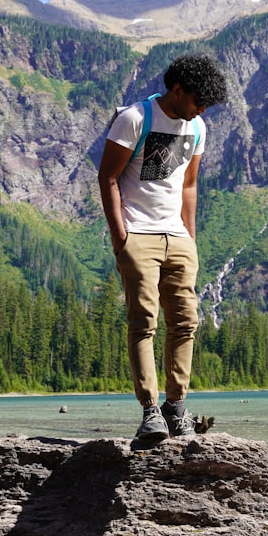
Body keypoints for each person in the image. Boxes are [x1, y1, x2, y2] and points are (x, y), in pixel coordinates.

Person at [98, 53, 229, 441]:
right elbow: (107, 178)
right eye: (198, 101)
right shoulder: (135, 119)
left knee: (186, 322)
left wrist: (190, 238)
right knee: (144, 323)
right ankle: (150, 412)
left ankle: (176, 408)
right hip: (138, 235)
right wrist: (121, 237)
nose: (202, 109)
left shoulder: (198, 127)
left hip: (178, 238)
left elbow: (189, 185)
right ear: (177, 90)